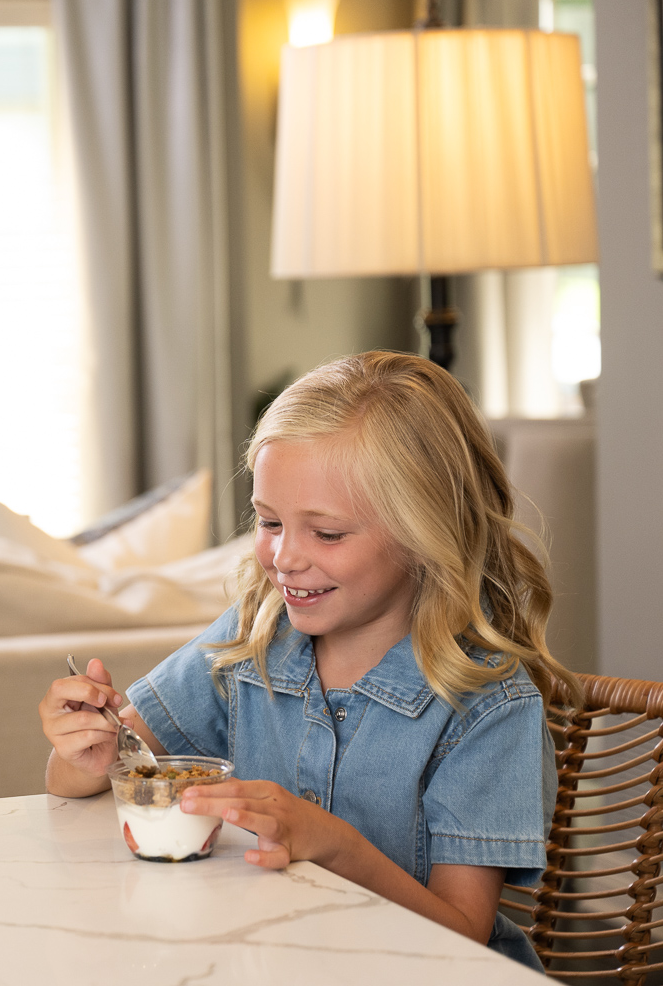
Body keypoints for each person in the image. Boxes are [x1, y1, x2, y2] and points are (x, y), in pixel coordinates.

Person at [39, 350, 576, 969]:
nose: (285, 558)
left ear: (426, 532)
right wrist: (85, 753)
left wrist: (332, 844)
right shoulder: (252, 640)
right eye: (269, 522)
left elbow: (461, 935)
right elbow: (86, 783)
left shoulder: (487, 705)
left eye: (327, 534)